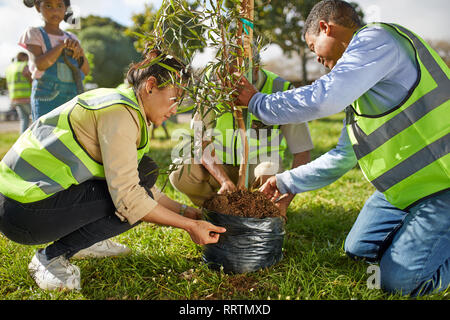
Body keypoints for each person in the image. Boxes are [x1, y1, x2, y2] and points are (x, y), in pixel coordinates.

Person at [235, 0, 449, 296]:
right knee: (358, 249)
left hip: (443, 186)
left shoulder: (377, 40)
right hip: (402, 192)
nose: (317, 60)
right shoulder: (361, 94)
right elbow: (341, 158)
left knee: (398, 283)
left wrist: (258, 102)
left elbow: (324, 98)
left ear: (325, 28)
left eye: (313, 48)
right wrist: (283, 181)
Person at [0, 49, 225, 291]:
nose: (175, 110)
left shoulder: (119, 101)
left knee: (145, 171)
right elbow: (131, 198)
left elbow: (134, 182)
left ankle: (85, 241)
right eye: (175, 99)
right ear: (150, 86)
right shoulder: (119, 114)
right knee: (135, 200)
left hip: (21, 200)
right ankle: (49, 258)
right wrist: (189, 226)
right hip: (24, 212)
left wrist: (186, 212)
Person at [169, 60, 313, 216]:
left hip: (259, 166)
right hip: (218, 165)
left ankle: (260, 210)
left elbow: (302, 152)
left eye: (236, 79)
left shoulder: (281, 91)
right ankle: (218, 209)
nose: (227, 86)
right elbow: (201, 141)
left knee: (268, 173)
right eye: (223, 77)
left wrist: (285, 200)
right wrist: (224, 180)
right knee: (181, 173)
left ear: (256, 69)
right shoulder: (210, 87)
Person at [19, 0, 90, 121]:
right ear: (37, 7)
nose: (55, 10)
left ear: (65, 8)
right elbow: (40, 65)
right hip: (46, 98)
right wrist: (61, 46)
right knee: (46, 134)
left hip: (72, 96)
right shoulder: (34, 33)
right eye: (48, 5)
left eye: (59, 6)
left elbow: (86, 70)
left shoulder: (72, 38)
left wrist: (80, 52)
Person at [5, 52, 32, 133]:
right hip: (26, 97)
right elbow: (31, 79)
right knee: (35, 117)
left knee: (24, 119)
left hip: (15, 98)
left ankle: (22, 140)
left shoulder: (9, 68)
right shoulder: (24, 66)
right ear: (24, 58)